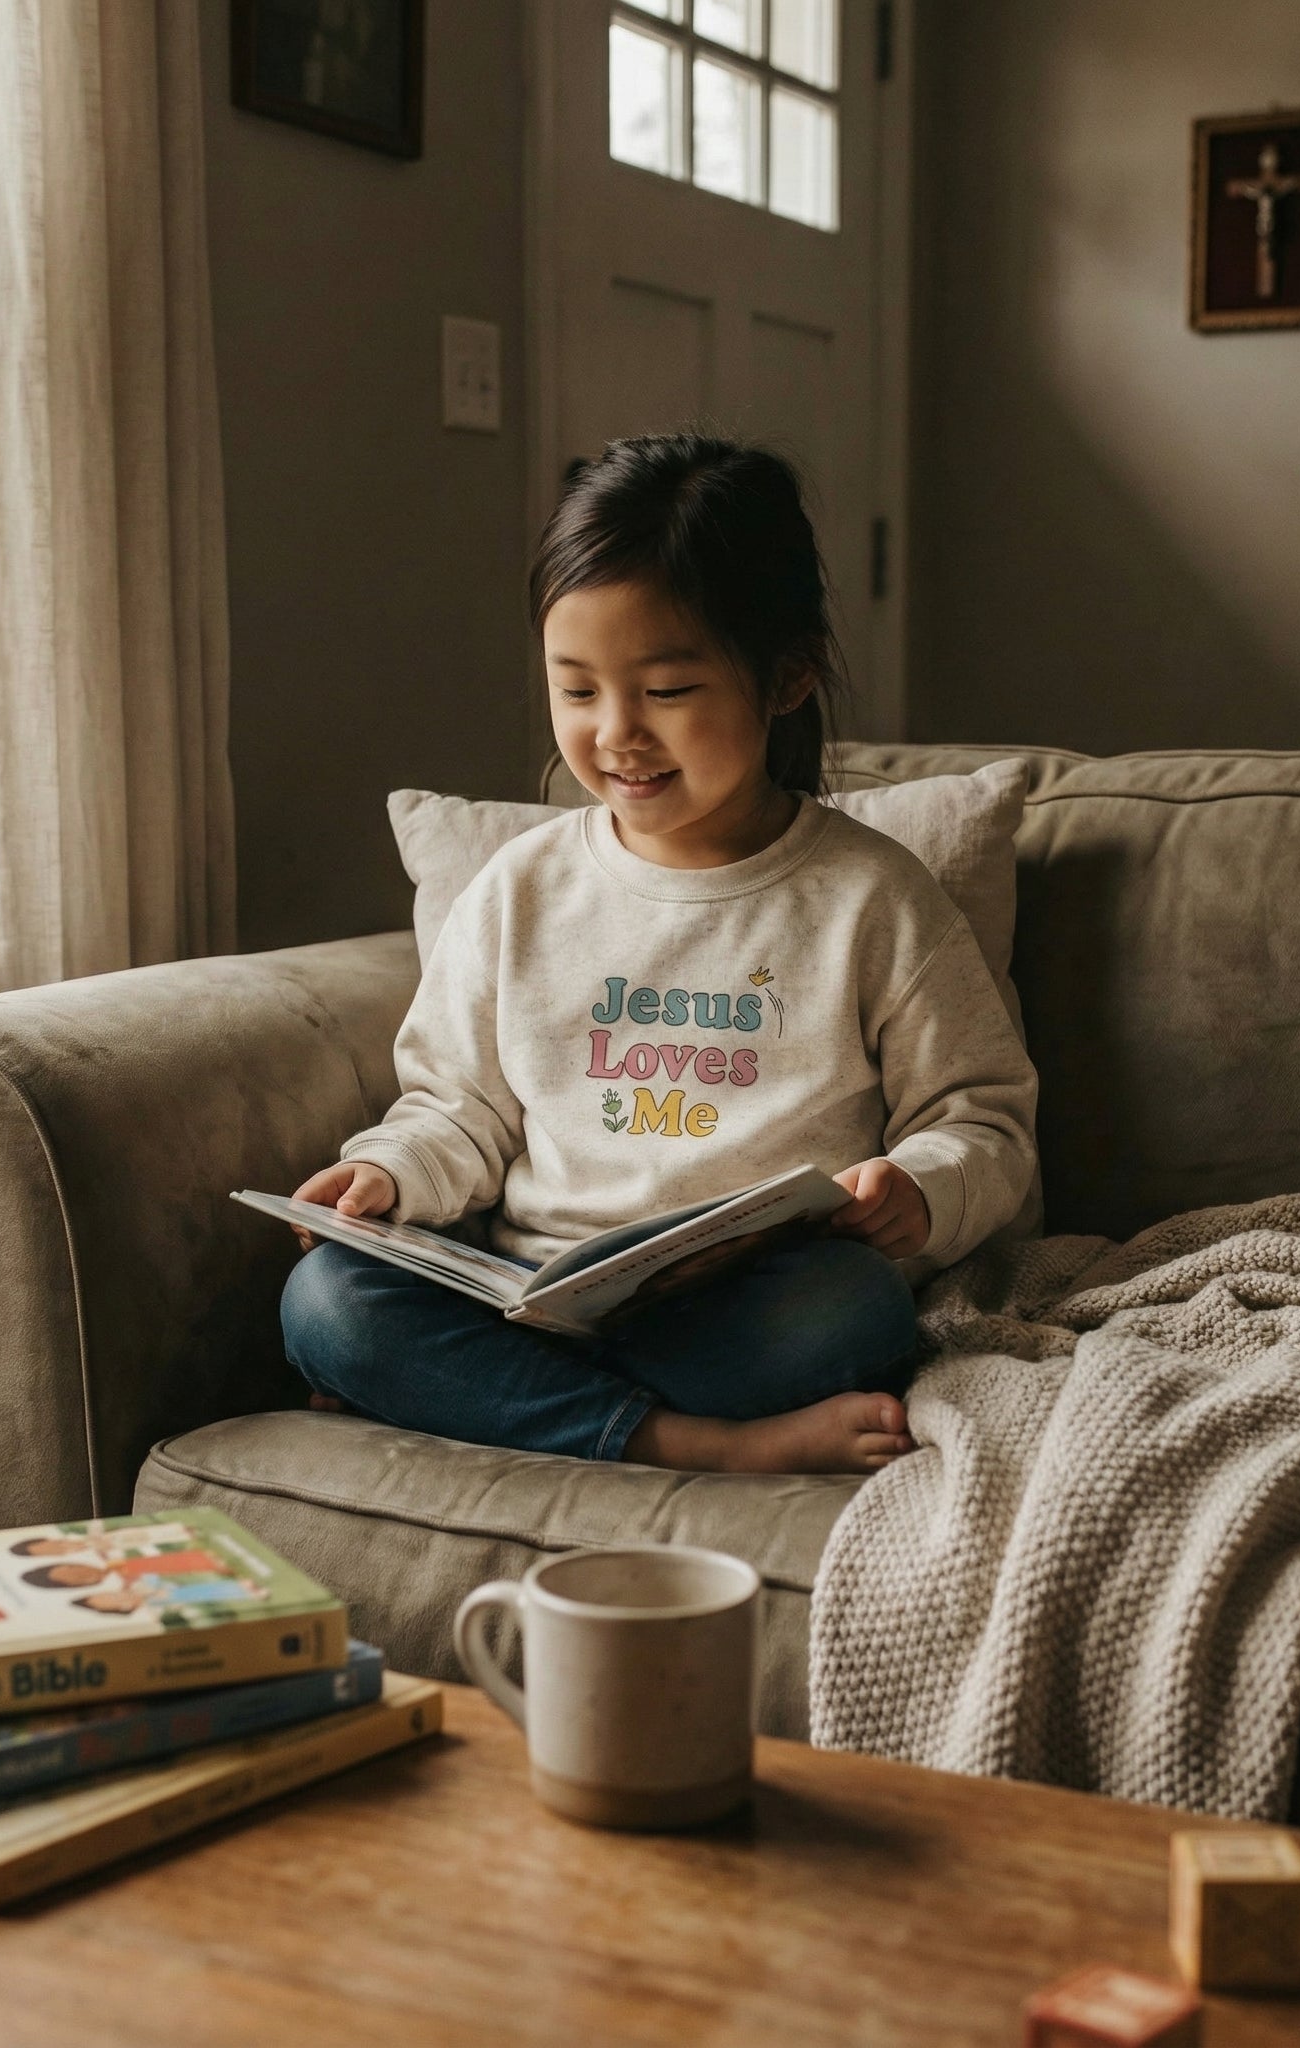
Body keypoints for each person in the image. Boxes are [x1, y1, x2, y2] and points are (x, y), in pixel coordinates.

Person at [281, 434, 1038, 1475]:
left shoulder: (872, 898)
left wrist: (917, 1187)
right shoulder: (520, 886)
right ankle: (688, 1441)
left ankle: (526, 1410)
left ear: (785, 675)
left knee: (849, 1308)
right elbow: (458, 1106)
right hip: (529, 1290)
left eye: (667, 690)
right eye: (578, 690)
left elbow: (980, 1117)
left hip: (742, 1302)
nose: (616, 733)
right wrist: (385, 1172)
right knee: (326, 1302)